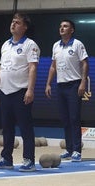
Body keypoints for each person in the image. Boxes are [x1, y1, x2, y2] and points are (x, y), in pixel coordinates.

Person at [0, 13, 40, 172]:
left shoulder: (30, 45)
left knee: (25, 127)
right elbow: (1, 67)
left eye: (17, 22)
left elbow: (32, 68)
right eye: (12, 22)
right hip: (4, 91)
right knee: (7, 127)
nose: (13, 24)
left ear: (24, 27)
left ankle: (29, 160)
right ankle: (6, 158)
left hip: (20, 91)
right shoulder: (5, 44)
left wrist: (30, 89)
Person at [45, 20, 89, 162]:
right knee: (65, 119)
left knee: (74, 118)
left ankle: (77, 150)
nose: (62, 28)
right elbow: (53, 66)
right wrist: (48, 84)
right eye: (60, 26)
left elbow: (84, 63)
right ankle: (69, 149)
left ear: (72, 30)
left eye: (65, 26)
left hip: (74, 85)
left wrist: (83, 82)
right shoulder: (55, 46)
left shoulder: (77, 44)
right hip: (60, 85)